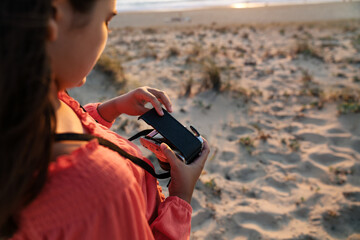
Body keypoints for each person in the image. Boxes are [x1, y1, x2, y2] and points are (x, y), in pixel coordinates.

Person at [0, 0, 210, 239]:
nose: (107, 33)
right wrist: (181, 197)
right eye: (106, 21)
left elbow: (77, 128)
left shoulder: (37, 101)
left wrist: (112, 108)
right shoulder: (103, 192)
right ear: (53, 17)